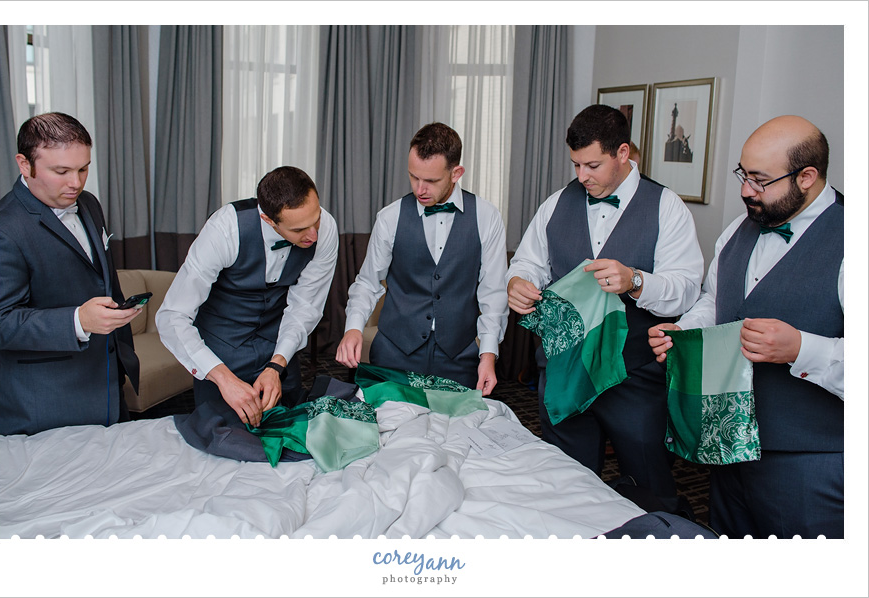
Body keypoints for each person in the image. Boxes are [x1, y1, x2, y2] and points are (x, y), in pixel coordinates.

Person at [648, 115, 843, 539]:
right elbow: (714, 300)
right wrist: (687, 331)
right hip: (729, 447)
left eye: (759, 180)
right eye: (743, 174)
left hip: (812, 460)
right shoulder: (739, 229)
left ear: (806, 177)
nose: (744, 191)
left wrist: (800, 349)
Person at [507, 104, 703, 512]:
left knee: (650, 486)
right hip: (565, 368)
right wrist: (517, 282)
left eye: (592, 165)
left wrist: (636, 281)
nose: (581, 176)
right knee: (565, 484)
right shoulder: (557, 203)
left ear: (623, 153)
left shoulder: (667, 207)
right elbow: (528, 260)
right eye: (576, 164)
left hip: (633, 376)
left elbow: (686, 291)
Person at [156, 166, 338, 427]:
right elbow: (172, 315)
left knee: (292, 437)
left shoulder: (325, 228)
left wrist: (277, 365)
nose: (313, 235)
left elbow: (305, 306)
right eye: (299, 230)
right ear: (268, 220)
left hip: (278, 345)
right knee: (220, 442)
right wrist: (223, 378)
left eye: (316, 220)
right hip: (221, 352)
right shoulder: (224, 230)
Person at [0, 112, 141, 436]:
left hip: (106, 383)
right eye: (61, 171)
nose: (76, 182)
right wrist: (78, 321)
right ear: (24, 164)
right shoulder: (0, 229)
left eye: (83, 168)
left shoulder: (89, 204)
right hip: (46, 403)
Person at [335, 122, 508, 393]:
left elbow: (493, 293)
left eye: (431, 180)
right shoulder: (390, 217)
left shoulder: (487, 217)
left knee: (457, 433)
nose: (420, 189)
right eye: (414, 177)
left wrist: (487, 355)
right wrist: (353, 328)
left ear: (456, 173)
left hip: (459, 357)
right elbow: (368, 284)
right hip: (394, 352)